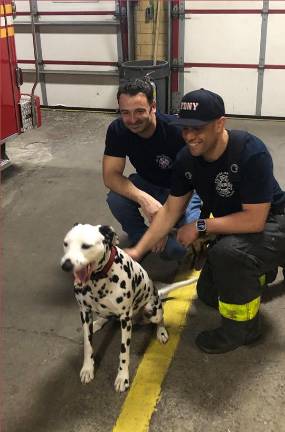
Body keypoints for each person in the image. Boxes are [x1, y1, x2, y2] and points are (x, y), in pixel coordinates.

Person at [125, 88, 285, 354]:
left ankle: (243, 330)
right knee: (210, 294)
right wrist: (137, 251)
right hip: (240, 227)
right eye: (185, 128)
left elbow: (255, 220)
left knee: (228, 254)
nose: (189, 136)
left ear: (220, 123)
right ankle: (259, 271)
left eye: (198, 128)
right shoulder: (188, 159)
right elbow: (171, 211)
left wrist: (201, 226)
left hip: (275, 223)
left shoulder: (249, 152)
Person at [103, 79, 201, 261]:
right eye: (125, 113)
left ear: (153, 107)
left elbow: (192, 182)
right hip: (147, 184)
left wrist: (163, 220)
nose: (132, 120)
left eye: (139, 111)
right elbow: (110, 176)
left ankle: (163, 235)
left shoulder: (178, 131)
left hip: (182, 191)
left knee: (183, 247)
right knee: (116, 198)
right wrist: (145, 200)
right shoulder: (117, 130)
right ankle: (141, 237)